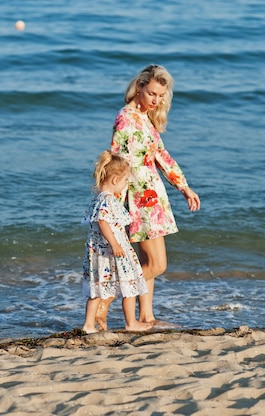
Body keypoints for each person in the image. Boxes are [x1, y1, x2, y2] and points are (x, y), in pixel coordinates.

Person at [96, 64, 201, 328]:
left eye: (160, 95)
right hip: (138, 197)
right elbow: (117, 163)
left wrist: (184, 186)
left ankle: (146, 317)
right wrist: (113, 202)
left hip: (153, 195)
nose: (156, 100)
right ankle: (104, 301)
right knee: (157, 264)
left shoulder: (145, 117)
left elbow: (161, 156)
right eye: (152, 93)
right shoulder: (126, 117)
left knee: (147, 262)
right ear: (140, 86)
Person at [81, 150, 153, 334]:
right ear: (114, 180)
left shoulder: (99, 199)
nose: (126, 184)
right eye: (125, 180)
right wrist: (115, 244)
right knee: (129, 285)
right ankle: (131, 323)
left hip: (101, 253)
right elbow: (103, 221)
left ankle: (88, 325)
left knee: (97, 290)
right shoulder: (108, 200)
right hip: (112, 251)